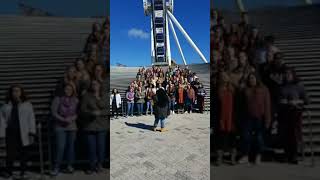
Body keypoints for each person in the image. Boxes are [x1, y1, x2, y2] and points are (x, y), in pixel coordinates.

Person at [0, 85, 36, 179]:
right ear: (11, 93)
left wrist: (32, 132)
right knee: (10, 153)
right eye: (14, 91)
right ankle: (9, 172)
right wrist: (2, 135)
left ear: (21, 92)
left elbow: (31, 119)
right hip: (11, 132)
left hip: (23, 132)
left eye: (18, 91)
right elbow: (2, 121)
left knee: (23, 153)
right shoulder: (5, 105)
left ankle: (23, 172)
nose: (16, 93)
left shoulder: (27, 104)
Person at [278, 68, 309, 164]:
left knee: (294, 135)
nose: (287, 75)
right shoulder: (281, 86)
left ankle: (294, 155)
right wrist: (282, 101)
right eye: (286, 74)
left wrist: (297, 101)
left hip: (295, 113)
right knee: (285, 134)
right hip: (284, 113)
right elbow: (278, 99)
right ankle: (287, 155)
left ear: (293, 75)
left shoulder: (299, 86)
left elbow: (306, 100)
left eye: (289, 74)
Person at [239, 73, 271, 165]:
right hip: (248, 117)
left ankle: (258, 155)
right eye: (250, 79)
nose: (251, 80)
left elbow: (267, 105)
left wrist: (268, 119)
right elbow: (242, 104)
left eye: (253, 78)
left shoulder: (264, 89)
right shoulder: (246, 90)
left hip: (260, 117)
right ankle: (245, 156)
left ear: (257, 79)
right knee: (246, 137)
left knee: (259, 137)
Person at [51, 84, 79, 176]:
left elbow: (78, 112)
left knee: (71, 147)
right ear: (63, 90)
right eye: (67, 89)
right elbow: (54, 112)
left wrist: (72, 118)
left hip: (72, 126)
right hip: (60, 126)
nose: (68, 90)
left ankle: (70, 165)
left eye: (70, 89)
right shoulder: (57, 99)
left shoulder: (75, 100)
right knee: (60, 147)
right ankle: (56, 167)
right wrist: (63, 119)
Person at [80, 80, 108, 174]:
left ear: (100, 85)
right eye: (92, 84)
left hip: (102, 126)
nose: (94, 85)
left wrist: (100, 112)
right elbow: (82, 110)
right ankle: (91, 166)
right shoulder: (87, 96)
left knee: (101, 147)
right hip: (90, 125)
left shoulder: (104, 96)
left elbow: (108, 110)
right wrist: (91, 113)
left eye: (96, 84)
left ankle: (99, 165)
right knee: (91, 148)